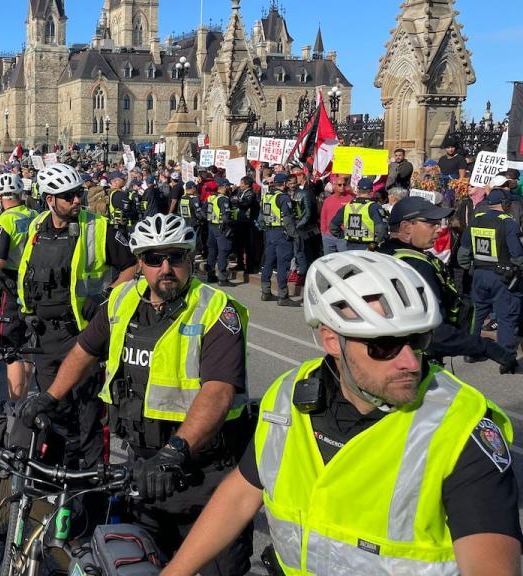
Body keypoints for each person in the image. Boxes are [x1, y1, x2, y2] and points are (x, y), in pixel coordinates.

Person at [163, 251, 523, 576]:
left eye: (418, 340)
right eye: (384, 345)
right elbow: (242, 493)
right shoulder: (288, 394)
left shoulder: (462, 426)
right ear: (332, 340)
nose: (410, 362)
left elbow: (490, 560)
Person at [21, 214, 252, 571]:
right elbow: (84, 350)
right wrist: (49, 398)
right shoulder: (121, 300)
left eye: (175, 257)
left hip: (204, 476)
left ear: (190, 259)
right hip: (143, 470)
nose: (165, 267)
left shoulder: (216, 309)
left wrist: (175, 450)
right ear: (139, 262)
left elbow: (219, 391)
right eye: (153, 258)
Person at [17, 163, 138, 469]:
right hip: (45, 338)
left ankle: (94, 486)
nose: (75, 201)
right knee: (54, 411)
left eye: (78, 194)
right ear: (49, 200)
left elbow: (132, 265)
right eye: (67, 196)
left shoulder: (98, 227)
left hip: (83, 337)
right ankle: (62, 478)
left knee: (89, 418)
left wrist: (106, 295)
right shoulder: (36, 228)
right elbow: (27, 274)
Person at [378, 196, 518, 373]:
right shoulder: (417, 266)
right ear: (407, 227)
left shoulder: (384, 253)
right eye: (431, 224)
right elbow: (435, 331)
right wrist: (488, 348)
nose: (439, 229)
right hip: (417, 362)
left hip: (390, 356)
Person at [0, 173, 37, 398]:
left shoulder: (3, 222)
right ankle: (24, 396)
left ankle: (16, 403)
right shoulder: (35, 215)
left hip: (10, 287)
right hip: (34, 284)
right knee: (28, 347)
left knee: (11, 351)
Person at [457, 188, 523, 362]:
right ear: (505, 204)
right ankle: (506, 358)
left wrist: (473, 270)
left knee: (477, 314)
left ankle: (471, 352)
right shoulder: (509, 223)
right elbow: (517, 257)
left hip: (479, 275)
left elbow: (462, 254)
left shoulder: (476, 220)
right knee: (506, 316)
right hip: (503, 277)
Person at [258, 173, 300, 307]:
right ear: (284, 183)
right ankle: (283, 296)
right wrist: (294, 235)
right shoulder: (283, 198)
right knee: (283, 264)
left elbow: (261, 217)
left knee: (268, 263)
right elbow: (287, 219)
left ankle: (266, 292)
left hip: (269, 232)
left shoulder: (267, 196)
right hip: (281, 233)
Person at [328, 177, 388, 250]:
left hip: (350, 247)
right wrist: (374, 245)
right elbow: (381, 228)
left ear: (358, 191)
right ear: (372, 192)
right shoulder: (374, 207)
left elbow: (332, 226)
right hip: (368, 247)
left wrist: (344, 235)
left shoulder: (347, 206)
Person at [205, 178, 233, 286]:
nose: (229, 188)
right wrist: (230, 225)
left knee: (212, 251)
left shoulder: (211, 197)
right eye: (228, 186)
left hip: (211, 226)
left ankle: (210, 275)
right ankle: (222, 278)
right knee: (223, 251)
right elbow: (226, 217)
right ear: (225, 186)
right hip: (221, 228)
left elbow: (203, 212)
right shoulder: (224, 199)